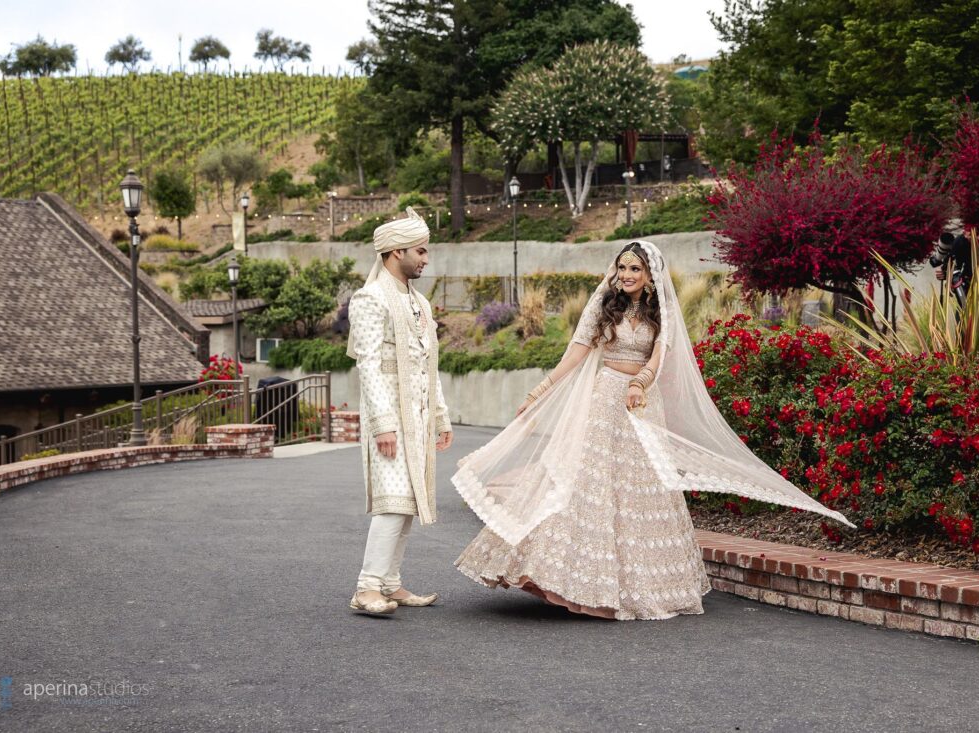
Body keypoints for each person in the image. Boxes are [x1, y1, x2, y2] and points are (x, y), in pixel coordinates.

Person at [454, 241, 851, 620]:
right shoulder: (604, 305)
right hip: (603, 400)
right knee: (587, 485)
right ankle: (563, 579)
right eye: (622, 267)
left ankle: (638, 587)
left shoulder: (661, 312)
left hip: (640, 404)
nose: (626, 274)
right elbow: (576, 351)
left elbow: (660, 355)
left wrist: (640, 383)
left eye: (635, 269)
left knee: (639, 491)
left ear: (649, 275)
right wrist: (541, 390)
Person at [346, 207, 454, 615]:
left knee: (408, 502)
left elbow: (430, 366)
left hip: (419, 419)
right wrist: (383, 424)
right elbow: (367, 365)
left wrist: (440, 417)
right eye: (420, 251)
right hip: (388, 421)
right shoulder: (369, 299)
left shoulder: (420, 303)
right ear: (394, 252)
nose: (426, 259)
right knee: (393, 502)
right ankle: (366, 587)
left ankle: (390, 583)